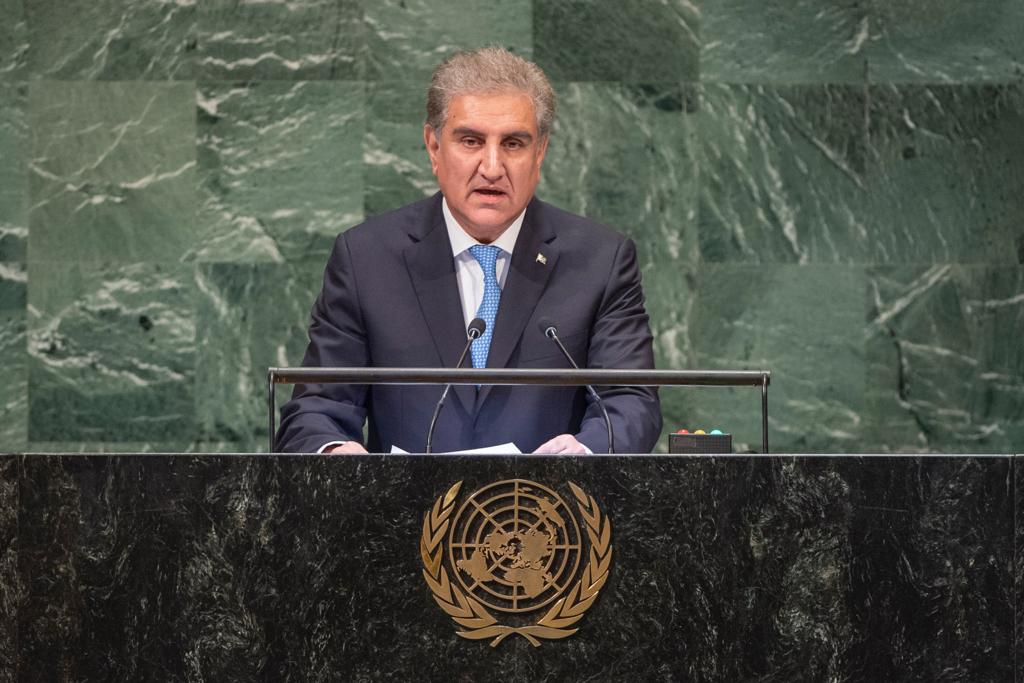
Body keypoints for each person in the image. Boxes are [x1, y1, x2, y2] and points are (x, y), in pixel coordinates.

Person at [275, 47, 661, 455]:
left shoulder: (600, 260)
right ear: (433, 146)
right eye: (471, 140)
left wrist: (585, 450)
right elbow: (317, 408)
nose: (492, 167)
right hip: (402, 515)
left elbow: (631, 402)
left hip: (550, 512)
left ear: (540, 152)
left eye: (513, 143)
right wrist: (334, 452)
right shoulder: (366, 258)